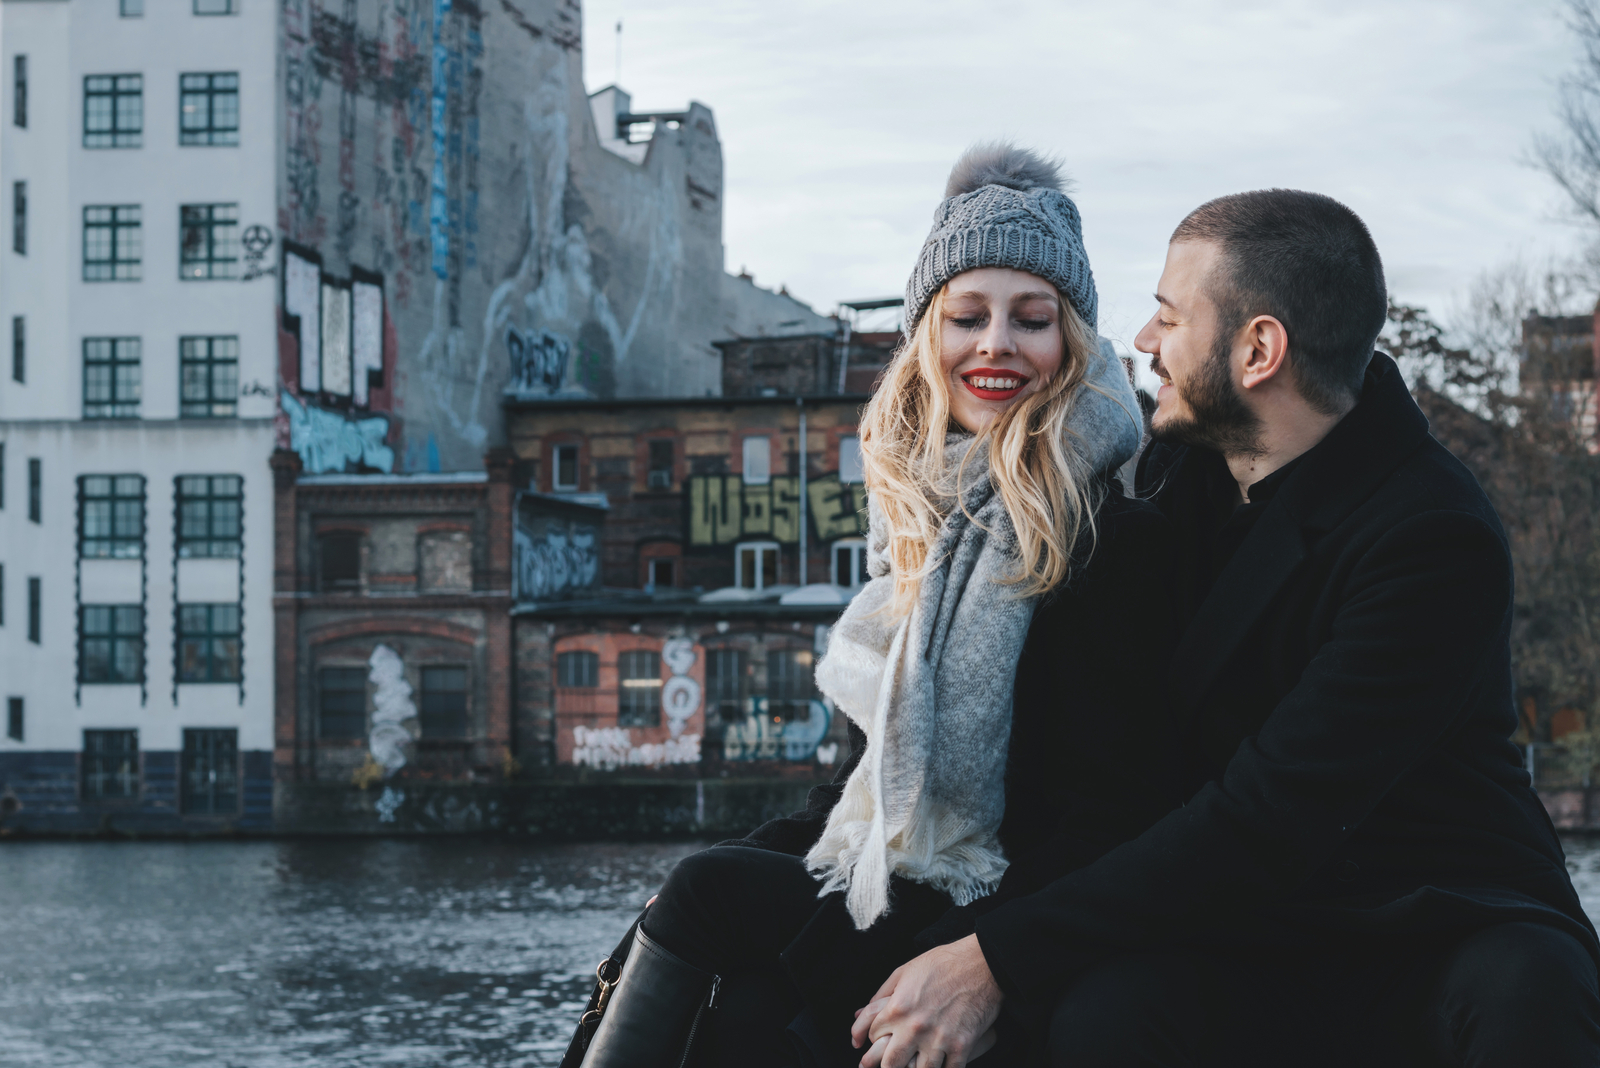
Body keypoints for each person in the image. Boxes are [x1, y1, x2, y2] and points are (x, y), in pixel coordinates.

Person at [854, 190, 1600, 1067]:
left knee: (1527, 989)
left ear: (1258, 350)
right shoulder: (1174, 478)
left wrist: (996, 959)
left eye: (1169, 318)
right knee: (1108, 1014)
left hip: (1434, 921)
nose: (1142, 342)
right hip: (1254, 928)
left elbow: (1270, 815)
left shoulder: (1432, 536)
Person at [566, 144, 1175, 1068]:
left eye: (1032, 319)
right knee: (721, 959)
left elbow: (1112, 810)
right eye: (966, 316)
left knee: (706, 896)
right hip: (917, 883)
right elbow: (860, 783)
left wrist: (988, 965)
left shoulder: (1105, 534)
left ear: (1072, 343)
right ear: (928, 336)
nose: (996, 345)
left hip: (1015, 914)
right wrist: (758, 852)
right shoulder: (921, 521)